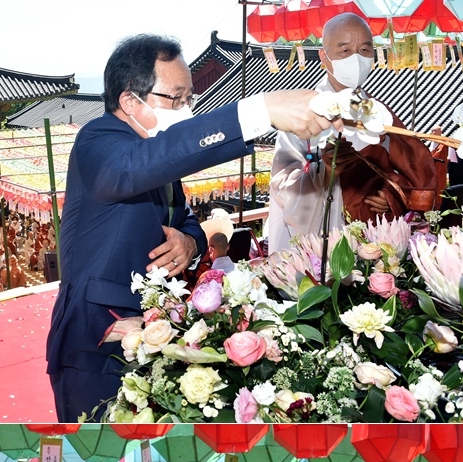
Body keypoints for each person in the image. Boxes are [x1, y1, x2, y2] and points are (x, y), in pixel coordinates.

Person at [45, 33, 342, 422]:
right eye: (178, 98)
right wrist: (260, 111)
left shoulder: (154, 152)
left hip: (155, 332)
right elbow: (135, 167)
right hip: (99, 338)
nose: (187, 108)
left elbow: (181, 217)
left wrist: (189, 240)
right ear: (130, 101)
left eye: (190, 99)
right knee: (96, 458)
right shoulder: (99, 140)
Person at [267, 12, 437, 254]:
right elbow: (283, 186)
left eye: (365, 50)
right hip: (323, 244)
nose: (356, 59)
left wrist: (391, 195)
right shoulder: (302, 115)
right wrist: (325, 172)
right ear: (324, 57)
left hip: (377, 242)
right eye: (345, 51)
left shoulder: (379, 115)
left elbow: (414, 172)